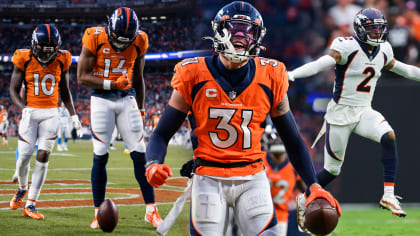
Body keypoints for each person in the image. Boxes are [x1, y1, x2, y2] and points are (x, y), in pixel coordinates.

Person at [145, 2, 341, 235]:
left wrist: (314, 185)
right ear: (218, 31)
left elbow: (293, 140)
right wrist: (152, 163)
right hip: (208, 177)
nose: (240, 36)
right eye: (234, 28)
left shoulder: (271, 75)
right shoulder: (193, 73)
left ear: (258, 37)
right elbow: (161, 133)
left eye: (249, 31)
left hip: (252, 177)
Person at [288, 8, 420, 228]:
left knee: (388, 136)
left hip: (364, 110)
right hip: (340, 113)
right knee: (332, 171)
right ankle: (304, 196)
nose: (377, 32)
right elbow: (321, 63)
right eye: (372, 28)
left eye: (380, 28)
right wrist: (292, 74)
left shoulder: (384, 50)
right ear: (360, 29)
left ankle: (388, 194)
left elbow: (405, 70)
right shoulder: (346, 46)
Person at [77, 7, 161, 229]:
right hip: (101, 100)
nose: (122, 45)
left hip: (127, 99)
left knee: (140, 156)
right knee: (100, 155)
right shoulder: (94, 36)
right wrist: (111, 84)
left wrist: (142, 109)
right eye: (118, 40)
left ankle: (151, 210)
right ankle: (98, 212)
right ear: (109, 28)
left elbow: (139, 76)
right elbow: (81, 77)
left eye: (127, 41)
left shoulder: (141, 40)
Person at [9, 24, 82, 220]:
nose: (46, 55)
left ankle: (31, 204)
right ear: (34, 46)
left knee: (43, 155)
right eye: (43, 50)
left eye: (51, 50)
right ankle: (22, 189)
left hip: (51, 113)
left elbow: (65, 91)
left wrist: (74, 115)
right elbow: (13, 89)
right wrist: (22, 108)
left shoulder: (62, 59)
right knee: (24, 158)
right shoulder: (22, 58)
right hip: (31, 112)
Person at [263, 139, 306, 236]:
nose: (277, 157)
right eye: (275, 154)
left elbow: (305, 189)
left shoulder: (293, 166)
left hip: (280, 217)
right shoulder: (260, 159)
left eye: (280, 154)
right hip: (259, 214)